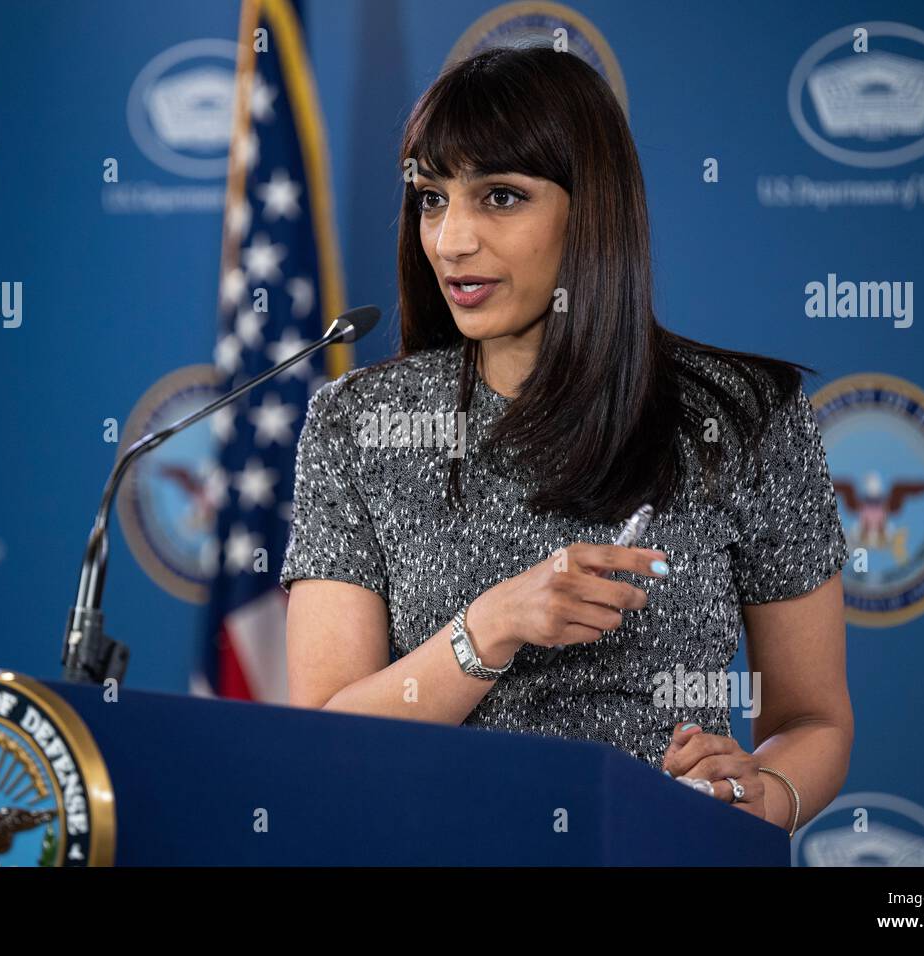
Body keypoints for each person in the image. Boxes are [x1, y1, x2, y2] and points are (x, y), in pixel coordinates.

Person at [279, 45, 851, 836]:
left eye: (501, 197)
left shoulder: (747, 413)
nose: (450, 241)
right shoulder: (355, 422)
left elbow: (815, 720)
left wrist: (761, 794)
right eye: (432, 199)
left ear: (593, 209)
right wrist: (491, 628)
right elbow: (323, 744)